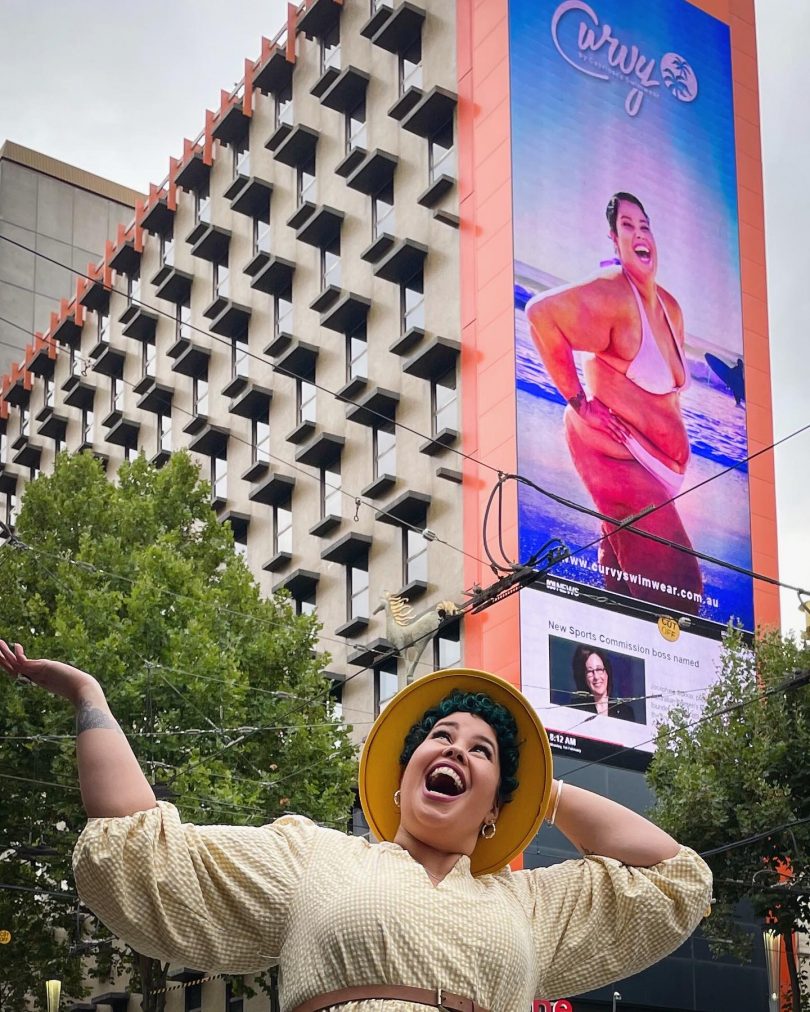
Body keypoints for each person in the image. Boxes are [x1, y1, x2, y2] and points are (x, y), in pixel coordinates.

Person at [0, 640, 712, 1010]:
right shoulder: (315, 857)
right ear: (401, 784)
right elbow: (139, 845)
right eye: (439, 736)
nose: (455, 749)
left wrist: (545, 794)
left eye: (481, 751)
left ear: (496, 808)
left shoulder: (527, 904)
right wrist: (88, 695)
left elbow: (672, 876)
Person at [526, 192, 702, 614]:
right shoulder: (613, 296)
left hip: (662, 470)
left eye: (645, 225)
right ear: (614, 240)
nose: (640, 234)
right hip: (620, 456)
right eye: (628, 226)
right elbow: (540, 315)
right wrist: (580, 402)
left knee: (623, 590)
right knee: (681, 588)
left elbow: (664, 397)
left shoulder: (670, 307)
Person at [571, 644, 636, 721]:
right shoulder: (576, 708)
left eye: (599, 669)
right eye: (590, 671)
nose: (596, 677)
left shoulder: (625, 712)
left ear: (607, 672)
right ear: (584, 677)